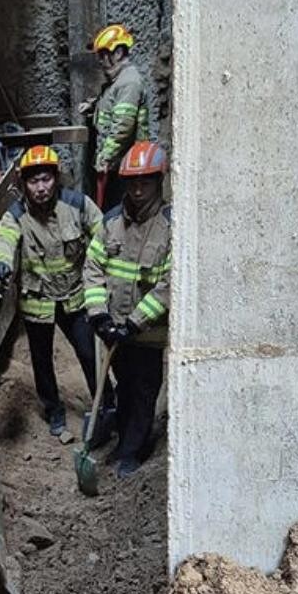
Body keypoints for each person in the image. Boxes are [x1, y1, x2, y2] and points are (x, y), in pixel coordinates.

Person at [0, 146, 111, 441]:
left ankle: (106, 406)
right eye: (33, 182)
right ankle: (54, 410)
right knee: (42, 361)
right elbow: (4, 239)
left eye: (45, 179)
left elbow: (104, 234)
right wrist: (0, 262)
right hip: (38, 302)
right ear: (23, 184)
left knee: (88, 353)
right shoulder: (16, 216)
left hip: (74, 297)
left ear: (56, 178)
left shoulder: (77, 205)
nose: (41, 188)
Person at [83, 141, 171, 478]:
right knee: (124, 385)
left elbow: (168, 284)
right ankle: (122, 437)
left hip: (146, 334)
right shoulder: (109, 223)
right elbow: (93, 269)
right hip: (113, 330)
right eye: (132, 182)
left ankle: (133, 449)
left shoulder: (169, 226)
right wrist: (99, 316)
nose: (137, 189)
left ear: (158, 181)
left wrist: (135, 323)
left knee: (145, 389)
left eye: (145, 182)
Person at [80, 23, 159, 208]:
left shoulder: (129, 82)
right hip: (117, 163)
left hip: (125, 164)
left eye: (103, 55)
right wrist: (92, 106)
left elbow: (123, 126)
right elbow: (110, 103)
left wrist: (106, 156)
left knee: (118, 210)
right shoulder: (117, 81)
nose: (99, 61)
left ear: (118, 53)